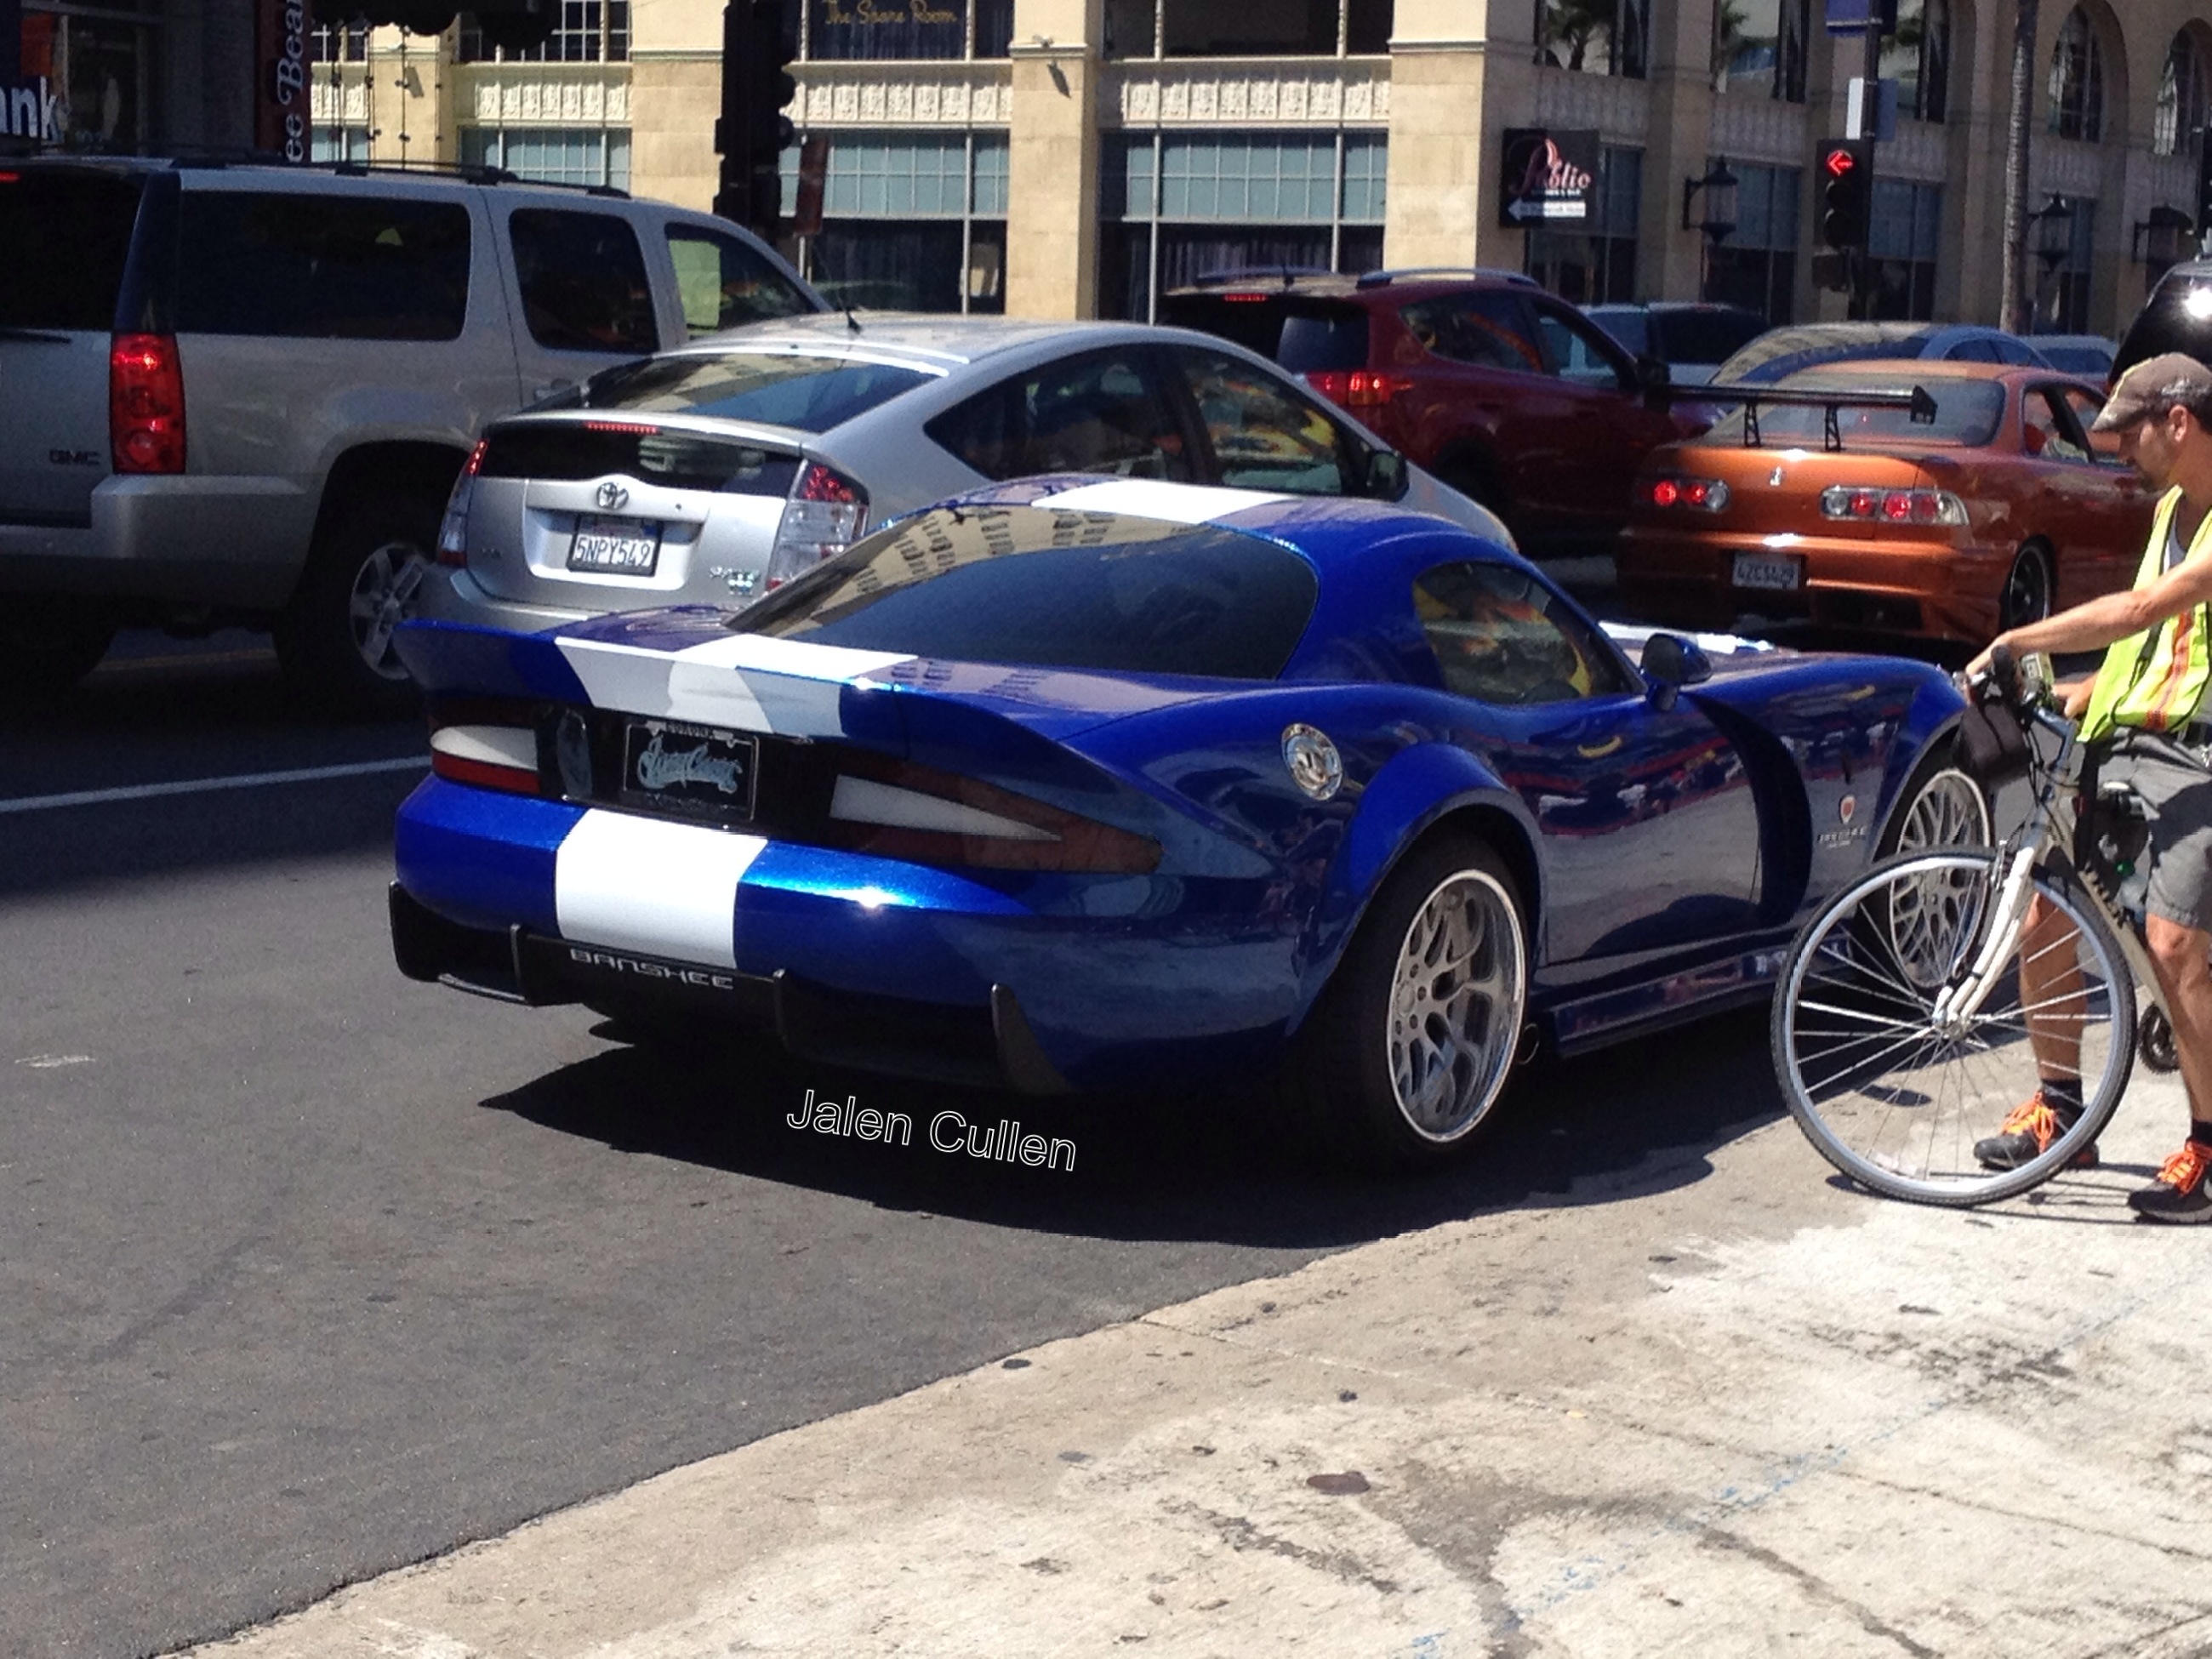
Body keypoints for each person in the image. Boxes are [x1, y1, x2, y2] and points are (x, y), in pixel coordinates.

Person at [1964, 351, 2212, 1223]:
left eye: (2127, 432)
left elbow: (2141, 612)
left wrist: (2018, 642)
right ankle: (2059, 1108)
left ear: (2176, 423)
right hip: (2133, 735)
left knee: (2172, 944)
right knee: (2045, 909)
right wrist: (2079, 693)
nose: (2116, 450)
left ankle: (2209, 1149)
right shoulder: (2171, 510)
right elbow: (2147, 647)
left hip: (2201, 756)